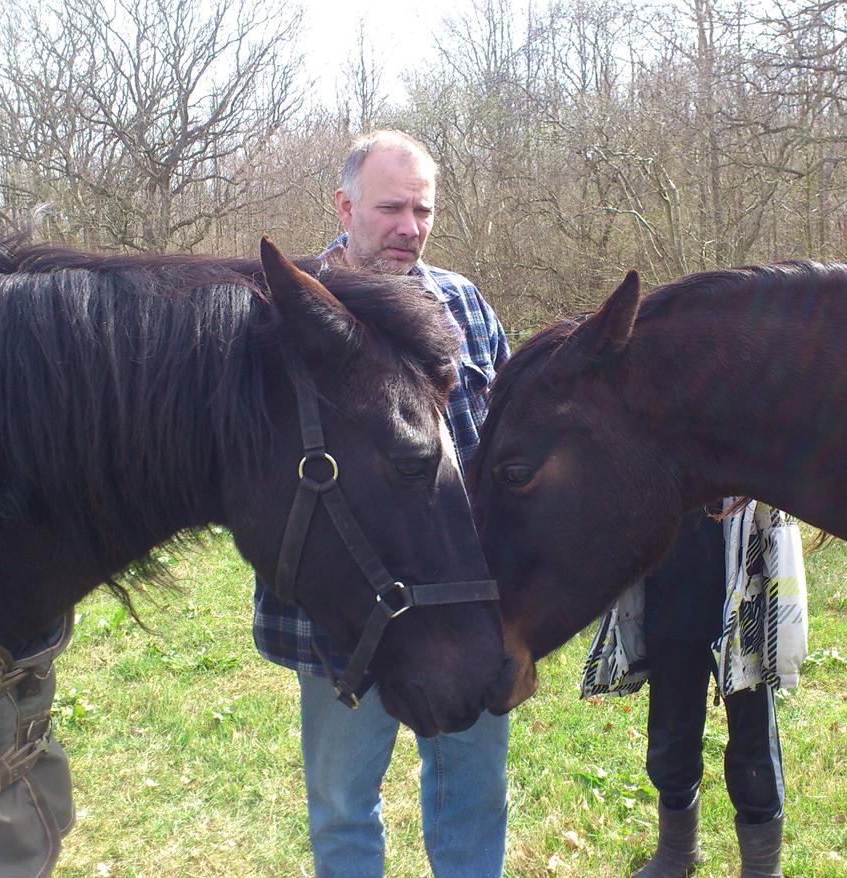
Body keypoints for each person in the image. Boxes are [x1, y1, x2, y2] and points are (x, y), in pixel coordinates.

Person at [251, 130, 510, 878]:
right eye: (391, 207)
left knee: (473, 790)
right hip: (336, 617)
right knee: (341, 803)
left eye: (423, 210)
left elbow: (498, 449)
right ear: (345, 204)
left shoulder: (462, 303)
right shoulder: (287, 311)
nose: (410, 227)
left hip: (460, 603)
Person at [582, 501, 807, 878]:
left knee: (753, 745)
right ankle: (677, 851)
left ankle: (762, 868)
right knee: (670, 736)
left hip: (741, 602)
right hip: (669, 597)